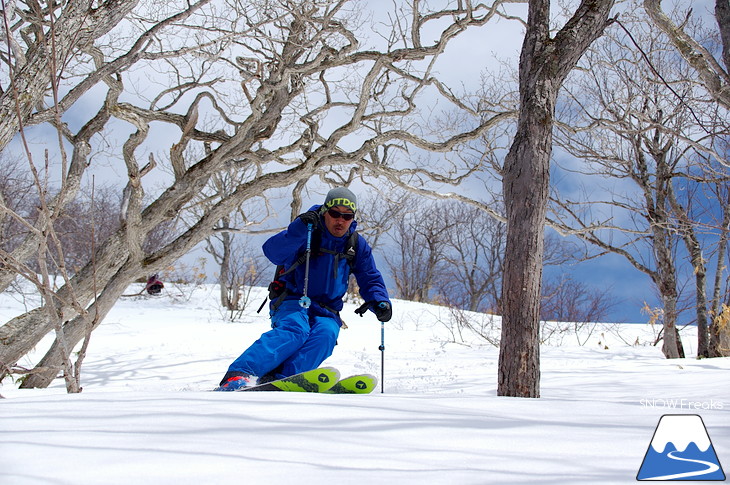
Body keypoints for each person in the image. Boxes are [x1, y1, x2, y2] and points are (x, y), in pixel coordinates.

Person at [217, 187, 392, 390]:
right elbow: (273, 252)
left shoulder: (355, 245)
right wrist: (298, 228)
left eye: (347, 216)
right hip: (293, 299)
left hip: (328, 309)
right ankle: (238, 374)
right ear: (325, 211)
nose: (340, 220)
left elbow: (370, 276)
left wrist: (380, 301)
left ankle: (281, 380)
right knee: (295, 330)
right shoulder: (307, 230)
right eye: (335, 214)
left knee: (326, 336)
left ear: (353, 218)